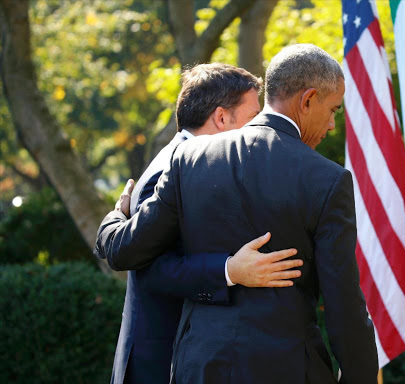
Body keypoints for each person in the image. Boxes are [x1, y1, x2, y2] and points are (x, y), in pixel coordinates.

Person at [96, 45, 378, 384]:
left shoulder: (187, 160)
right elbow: (343, 304)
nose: (333, 124)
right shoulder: (328, 179)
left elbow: (125, 251)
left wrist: (116, 216)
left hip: (198, 368)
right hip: (286, 369)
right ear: (307, 100)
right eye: (333, 109)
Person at [97, 63, 303, 384]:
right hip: (159, 359)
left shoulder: (193, 161)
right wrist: (230, 270)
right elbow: (151, 269)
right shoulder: (172, 169)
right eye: (252, 119)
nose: (258, 130)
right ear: (221, 118)